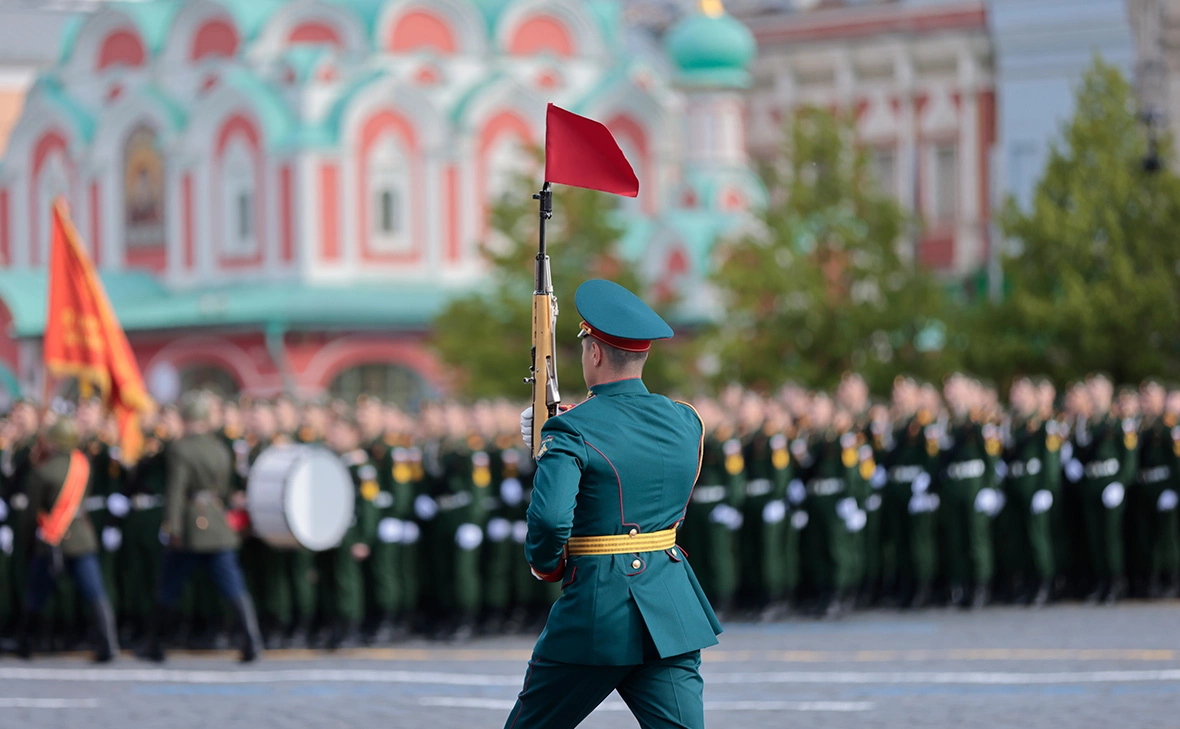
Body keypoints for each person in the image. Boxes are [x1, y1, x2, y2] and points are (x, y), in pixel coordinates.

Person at [505, 279, 720, 729]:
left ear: (595, 353)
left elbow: (548, 521)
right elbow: (639, 455)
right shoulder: (686, 420)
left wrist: (547, 566)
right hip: (669, 604)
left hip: (598, 608)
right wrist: (560, 425)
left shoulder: (571, 432)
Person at [141, 392, 263, 663]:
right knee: (233, 586)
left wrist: (171, 526)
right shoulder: (219, 447)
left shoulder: (180, 448)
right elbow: (222, 487)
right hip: (217, 521)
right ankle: (251, 642)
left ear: (186, 420)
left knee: (169, 586)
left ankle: (156, 643)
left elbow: (176, 489)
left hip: (191, 525)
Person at [15, 417, 119, 662]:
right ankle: (108, 644)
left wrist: (27, 542)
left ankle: (25, 644)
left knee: (36, 594)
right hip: (81, 538)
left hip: (52, 539)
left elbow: (32, 514)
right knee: (95, 593)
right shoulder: (83, 465)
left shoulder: (43, 471)